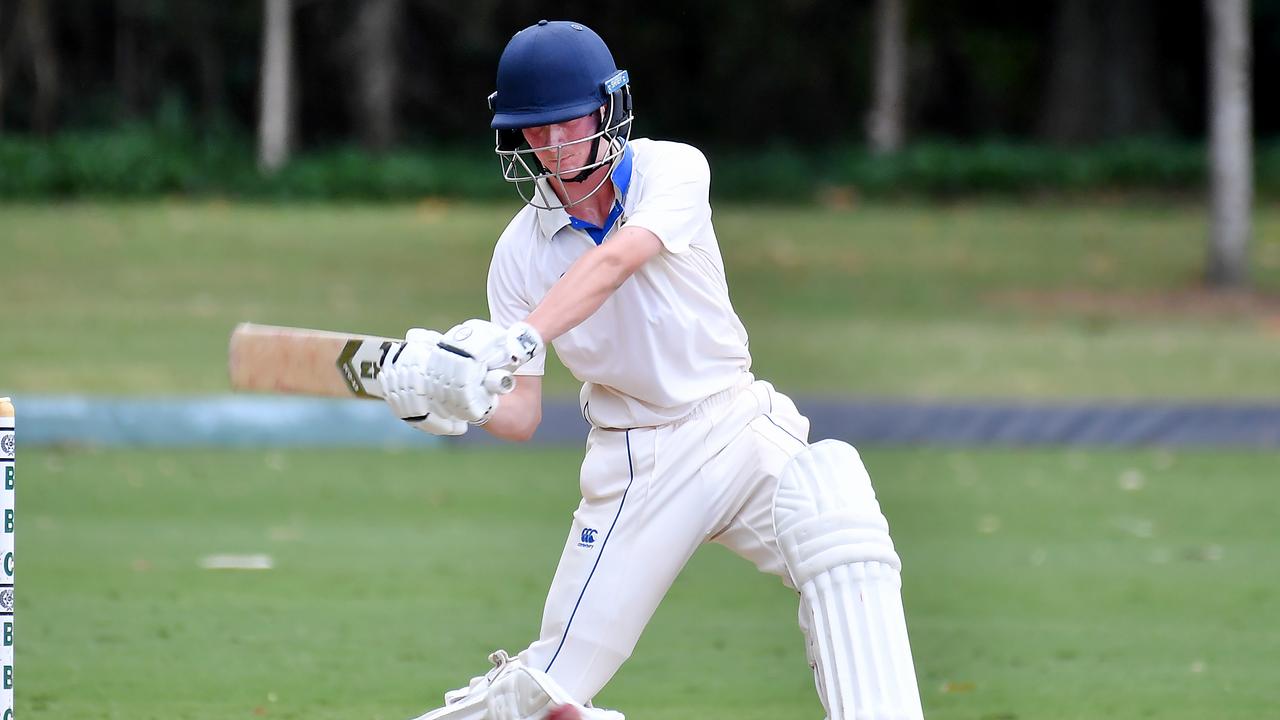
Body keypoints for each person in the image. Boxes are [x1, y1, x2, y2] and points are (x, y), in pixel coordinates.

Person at [377, 19, 926, 720]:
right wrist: (451, 400)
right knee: (540, 694)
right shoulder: (517, 255)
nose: (548, 146)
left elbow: (615, 262)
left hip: (736, 423)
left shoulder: (674, 169)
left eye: (563, 123)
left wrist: (516, 339)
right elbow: (520, 415)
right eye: (532, 131)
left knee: (837, 513)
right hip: (636, 463)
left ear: (606, 109)